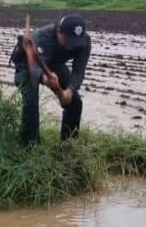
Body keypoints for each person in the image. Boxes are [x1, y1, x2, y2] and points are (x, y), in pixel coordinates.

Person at [11, 14, 91, 146]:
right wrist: (45, 77)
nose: (73, 46)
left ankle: (69, 144)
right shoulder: (43, 38)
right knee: (31, 101)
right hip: (27, 63)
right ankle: (30, 145)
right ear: (59, 33)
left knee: (75, 102)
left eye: (76, 42)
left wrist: (69, 91)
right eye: (69, 40)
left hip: (55, 63)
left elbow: (79, 71)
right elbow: (35, 68)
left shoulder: (84, 41)